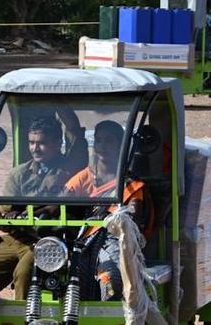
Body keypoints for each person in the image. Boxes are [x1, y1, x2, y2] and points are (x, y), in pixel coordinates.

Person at [0, 113, 86, 314]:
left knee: (25, 274)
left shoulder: (70, 169)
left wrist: (62, 104)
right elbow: (7, 211)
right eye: (31, 142)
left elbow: (76, 134)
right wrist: (8, 218)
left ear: (57, 142)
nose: (35, 148)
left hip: (50, 241)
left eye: (42, 143)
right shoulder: (20, 173)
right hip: (16, 240)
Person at [62, 120, 148, 301]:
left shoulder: (129, 183)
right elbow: (60, 202)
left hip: (114, 242)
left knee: (112, 281)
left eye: (109, 141)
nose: (102, 146)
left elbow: (134, 215)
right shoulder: (85, 176)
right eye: (99, 140)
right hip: (84, 241)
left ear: (121, 145)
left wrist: (122, 214)